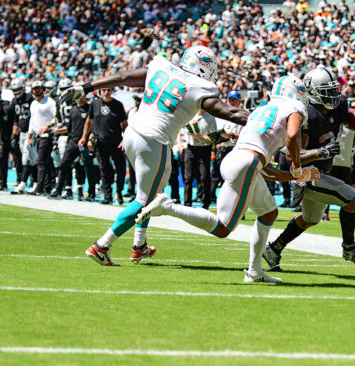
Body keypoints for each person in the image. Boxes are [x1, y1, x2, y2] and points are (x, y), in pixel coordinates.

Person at [59, 45, 249, 267]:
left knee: (151, 193)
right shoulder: (201, 86)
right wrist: (265, 119)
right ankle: (102, 245)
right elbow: (231, 112)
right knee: (145, 199)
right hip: (154, 140)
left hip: (132, 133)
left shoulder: (162, 65)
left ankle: (139, 246)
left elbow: (123, 76)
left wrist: (86, 87)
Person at [137, 75, 319, 283]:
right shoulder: (293, 107)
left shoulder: (261, 111)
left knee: (269, 213)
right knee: (223, 228)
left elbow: (265, 169)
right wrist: (296, 166)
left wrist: (294, 176)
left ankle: (254, 271)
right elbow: (293, 134)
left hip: (238, 160)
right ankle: (167, 207)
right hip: (246, 164)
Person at [262, 66, 355, 271]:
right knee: (351, 199)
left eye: (334, 90)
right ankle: (349, 248)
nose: (333, 95)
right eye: (327, 91)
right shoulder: (305, 114)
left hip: (321, 172)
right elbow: (292, 156)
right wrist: (321, 152)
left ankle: (274, 248)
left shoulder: (340, 104)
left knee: (309, 219)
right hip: (307, 174)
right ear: (313, 93)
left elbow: (345, 121)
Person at [80, 87, 128, 205]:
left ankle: (119, 192)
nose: (106, 93)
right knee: (104, 170)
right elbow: (89, 121)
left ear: (111, 92)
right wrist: (84, 137)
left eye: (108, 90)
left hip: (117, 142)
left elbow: (124, 124)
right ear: (100, 92)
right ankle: (107, 196)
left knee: (120, 169)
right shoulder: (95, 103)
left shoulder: (118, 105)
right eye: (104, 90)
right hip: (101, 143)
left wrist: (125, 139)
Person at [49, 92, 94, 201]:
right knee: (64, 165)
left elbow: (94, 127)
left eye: (83, 96)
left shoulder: (90, 109)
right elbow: (69, 127)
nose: (82, 98)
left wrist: (89, 140)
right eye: (79, 96)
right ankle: (58, 190)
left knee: (88, 168)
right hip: (73, 141)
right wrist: (58, 130)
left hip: (84, 143)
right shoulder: (73, 109)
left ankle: (90, 193)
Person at [181, 109, 216, 208]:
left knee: (204, 177)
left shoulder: (210, 117)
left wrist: (200, 137)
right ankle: (187, 204)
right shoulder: (190, 114)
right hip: (190, 148)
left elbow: (213, 138)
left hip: (204, 149)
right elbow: (182, 131)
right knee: (188, 177)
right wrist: (183, 144)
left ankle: (206, 203)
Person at [27, 80, 56, 196]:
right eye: (35, 89)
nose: (37, 90)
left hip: (46, 135)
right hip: (36, 136)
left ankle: (39, 187)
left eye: (39, 88)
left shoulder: (50, 102)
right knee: (45, 162)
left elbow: (57, 118)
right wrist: (29, 136)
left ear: (43, 89)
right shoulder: (33, 103)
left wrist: (48, 126)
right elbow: (32, 120)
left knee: (41, 162)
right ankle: (47, 187)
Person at [11, 79, 37, 194]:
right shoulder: (15, 101)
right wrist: (14, 135)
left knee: (26, 158)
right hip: (21, 132)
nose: (16, 92)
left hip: (31, 131)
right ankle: (36, 183)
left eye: (18, 89)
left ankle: (22, 184)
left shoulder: (30, 98)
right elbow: (16, 120)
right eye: (14, 90)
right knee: (31, 159)